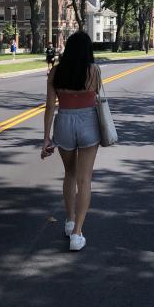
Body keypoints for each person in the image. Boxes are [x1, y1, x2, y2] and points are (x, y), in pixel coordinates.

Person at [42, 31, 102, 252]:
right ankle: (77, 233)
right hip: (88, 122)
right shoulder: (94, 71)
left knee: (70, 174)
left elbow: (49, 107)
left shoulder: (55, 72)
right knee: (85, 180)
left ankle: (69, 220)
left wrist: (46, 138)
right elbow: (98, 97)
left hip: (64, 122)